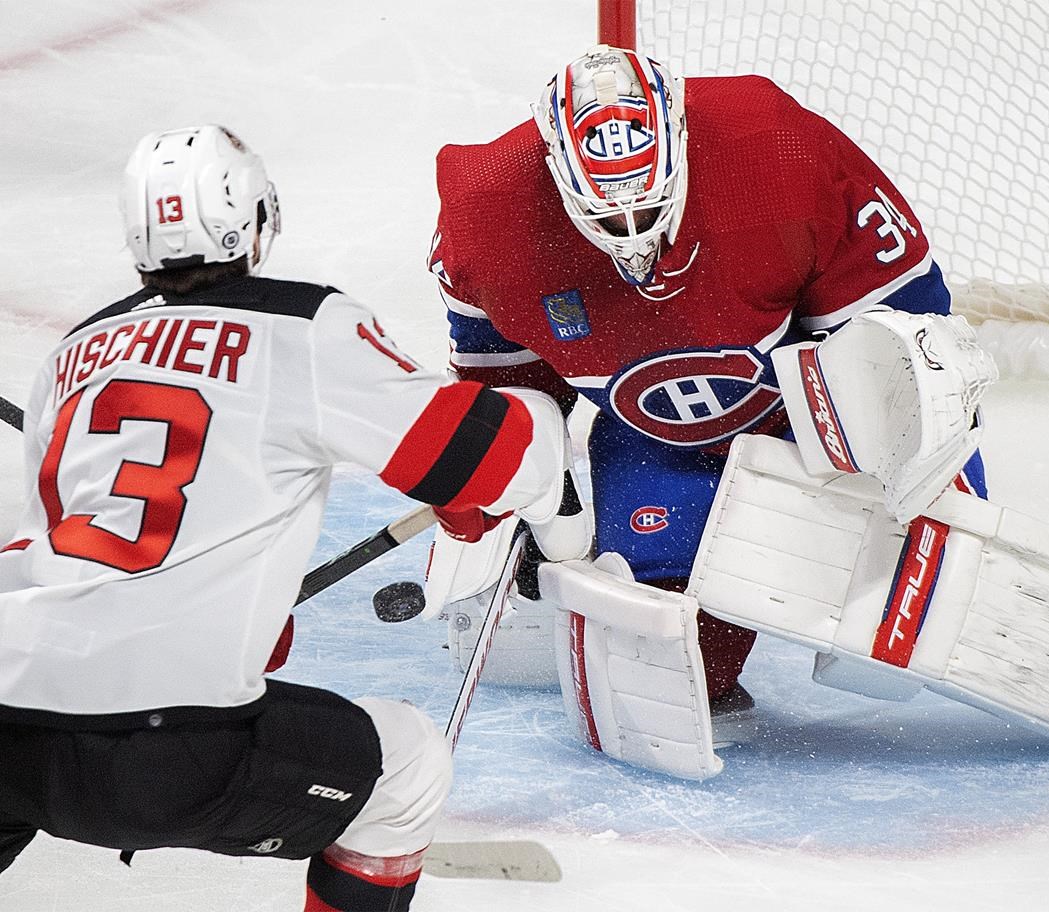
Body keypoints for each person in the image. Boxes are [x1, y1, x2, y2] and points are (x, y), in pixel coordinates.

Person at [0, 124, 570, 911]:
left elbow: (51, 548)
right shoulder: (302, 328)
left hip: (9, 721)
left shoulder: (70, 355)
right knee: (406, 765)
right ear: (256, 216)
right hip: (169, 751)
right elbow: (493, 459)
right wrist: (544, 418)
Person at [426, 46, 992, 775]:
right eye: (605, 212)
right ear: (555, 173)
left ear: (683, 146)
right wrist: (535, 496)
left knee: (914, 614)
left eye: (650, 203)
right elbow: (506, 390)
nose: (634, 236)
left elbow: (912, 339)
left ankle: (944, 573)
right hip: (649, 432)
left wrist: (899, 455)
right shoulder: (487, 210)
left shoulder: (777, 145)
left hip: (804, 407)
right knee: (656, 638)